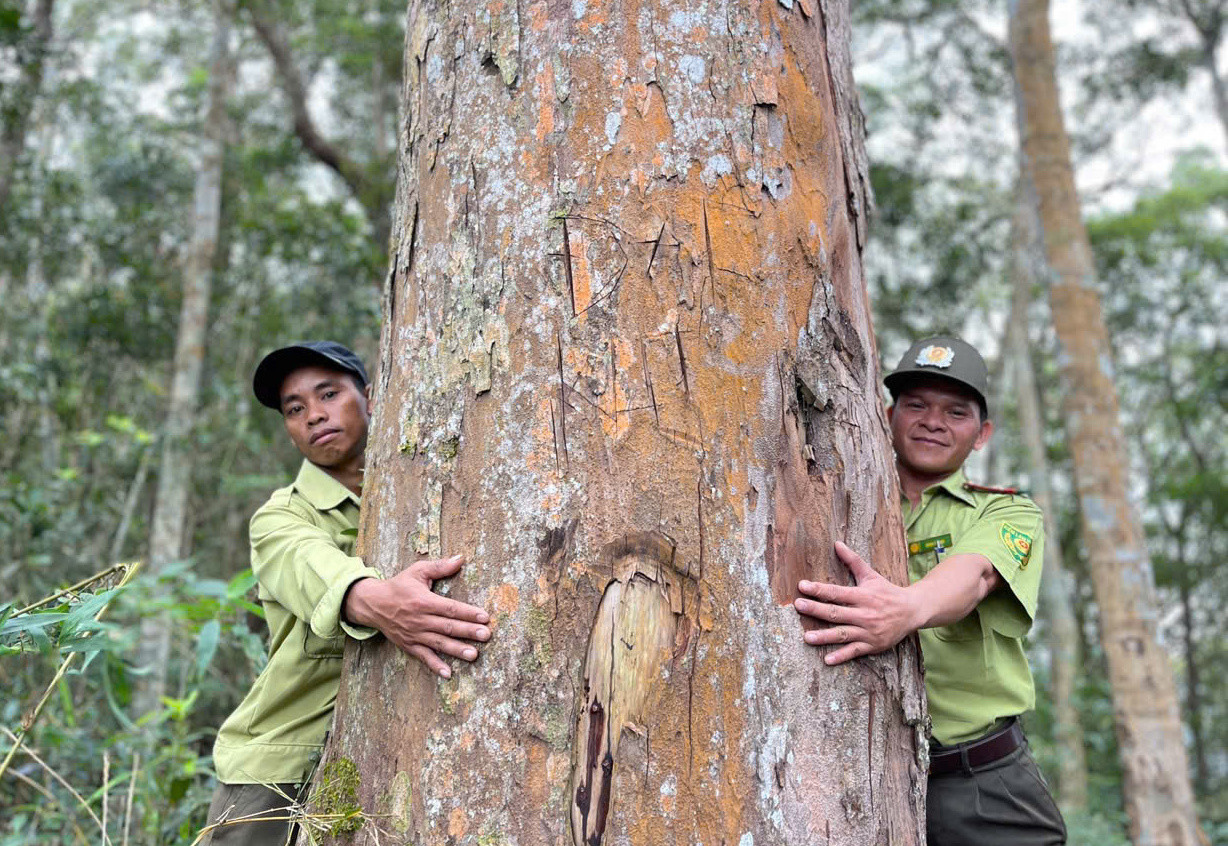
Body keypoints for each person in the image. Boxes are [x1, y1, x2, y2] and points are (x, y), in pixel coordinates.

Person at [202, 341, 492, 846]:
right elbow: (311, 567)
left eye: (329, 394)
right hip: (281, 762)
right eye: (295, 409)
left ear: (372, 398)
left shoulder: (430, 485)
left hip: (391, 754)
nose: (314, 415)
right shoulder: (280, 518)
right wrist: (378, 601)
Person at [794, 336, 1066, 846]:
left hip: (981, 780)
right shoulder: (834, 501)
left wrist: (905, 609)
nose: (933, 421)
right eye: (917, 405)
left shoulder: (1007, 511)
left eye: (955, 412)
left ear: (982, 434)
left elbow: (978, 574)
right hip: (849, 775)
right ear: (888, 415)